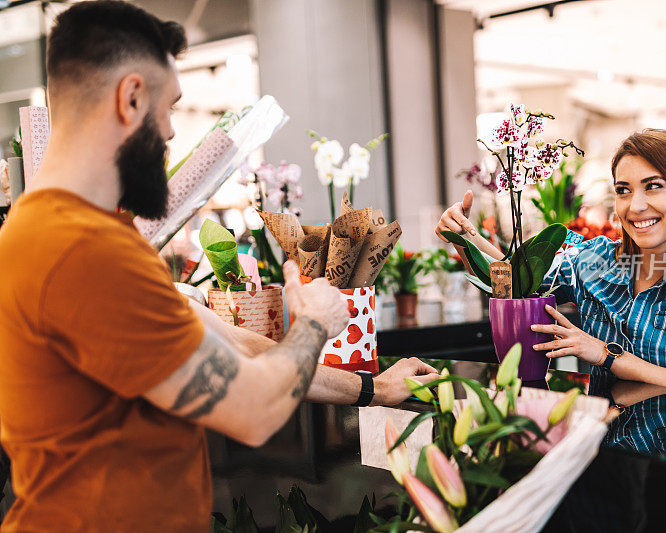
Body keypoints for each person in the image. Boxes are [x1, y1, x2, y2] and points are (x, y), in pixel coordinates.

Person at [0, 2, 437, 530]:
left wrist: (373, 388)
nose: (169, 134)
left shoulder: (62, 230)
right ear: (131, 96)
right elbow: (252, 410)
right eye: (169, 108)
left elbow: (237, 346)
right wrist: (318, 323)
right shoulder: (81, 251)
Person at [437, 128, 666, 401]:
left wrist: (607, 356)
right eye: (623, 190)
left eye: (654, 186)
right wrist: (467, 238)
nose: (636, 205)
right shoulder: (596, 262)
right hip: (604, 455)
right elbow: (518, 281)